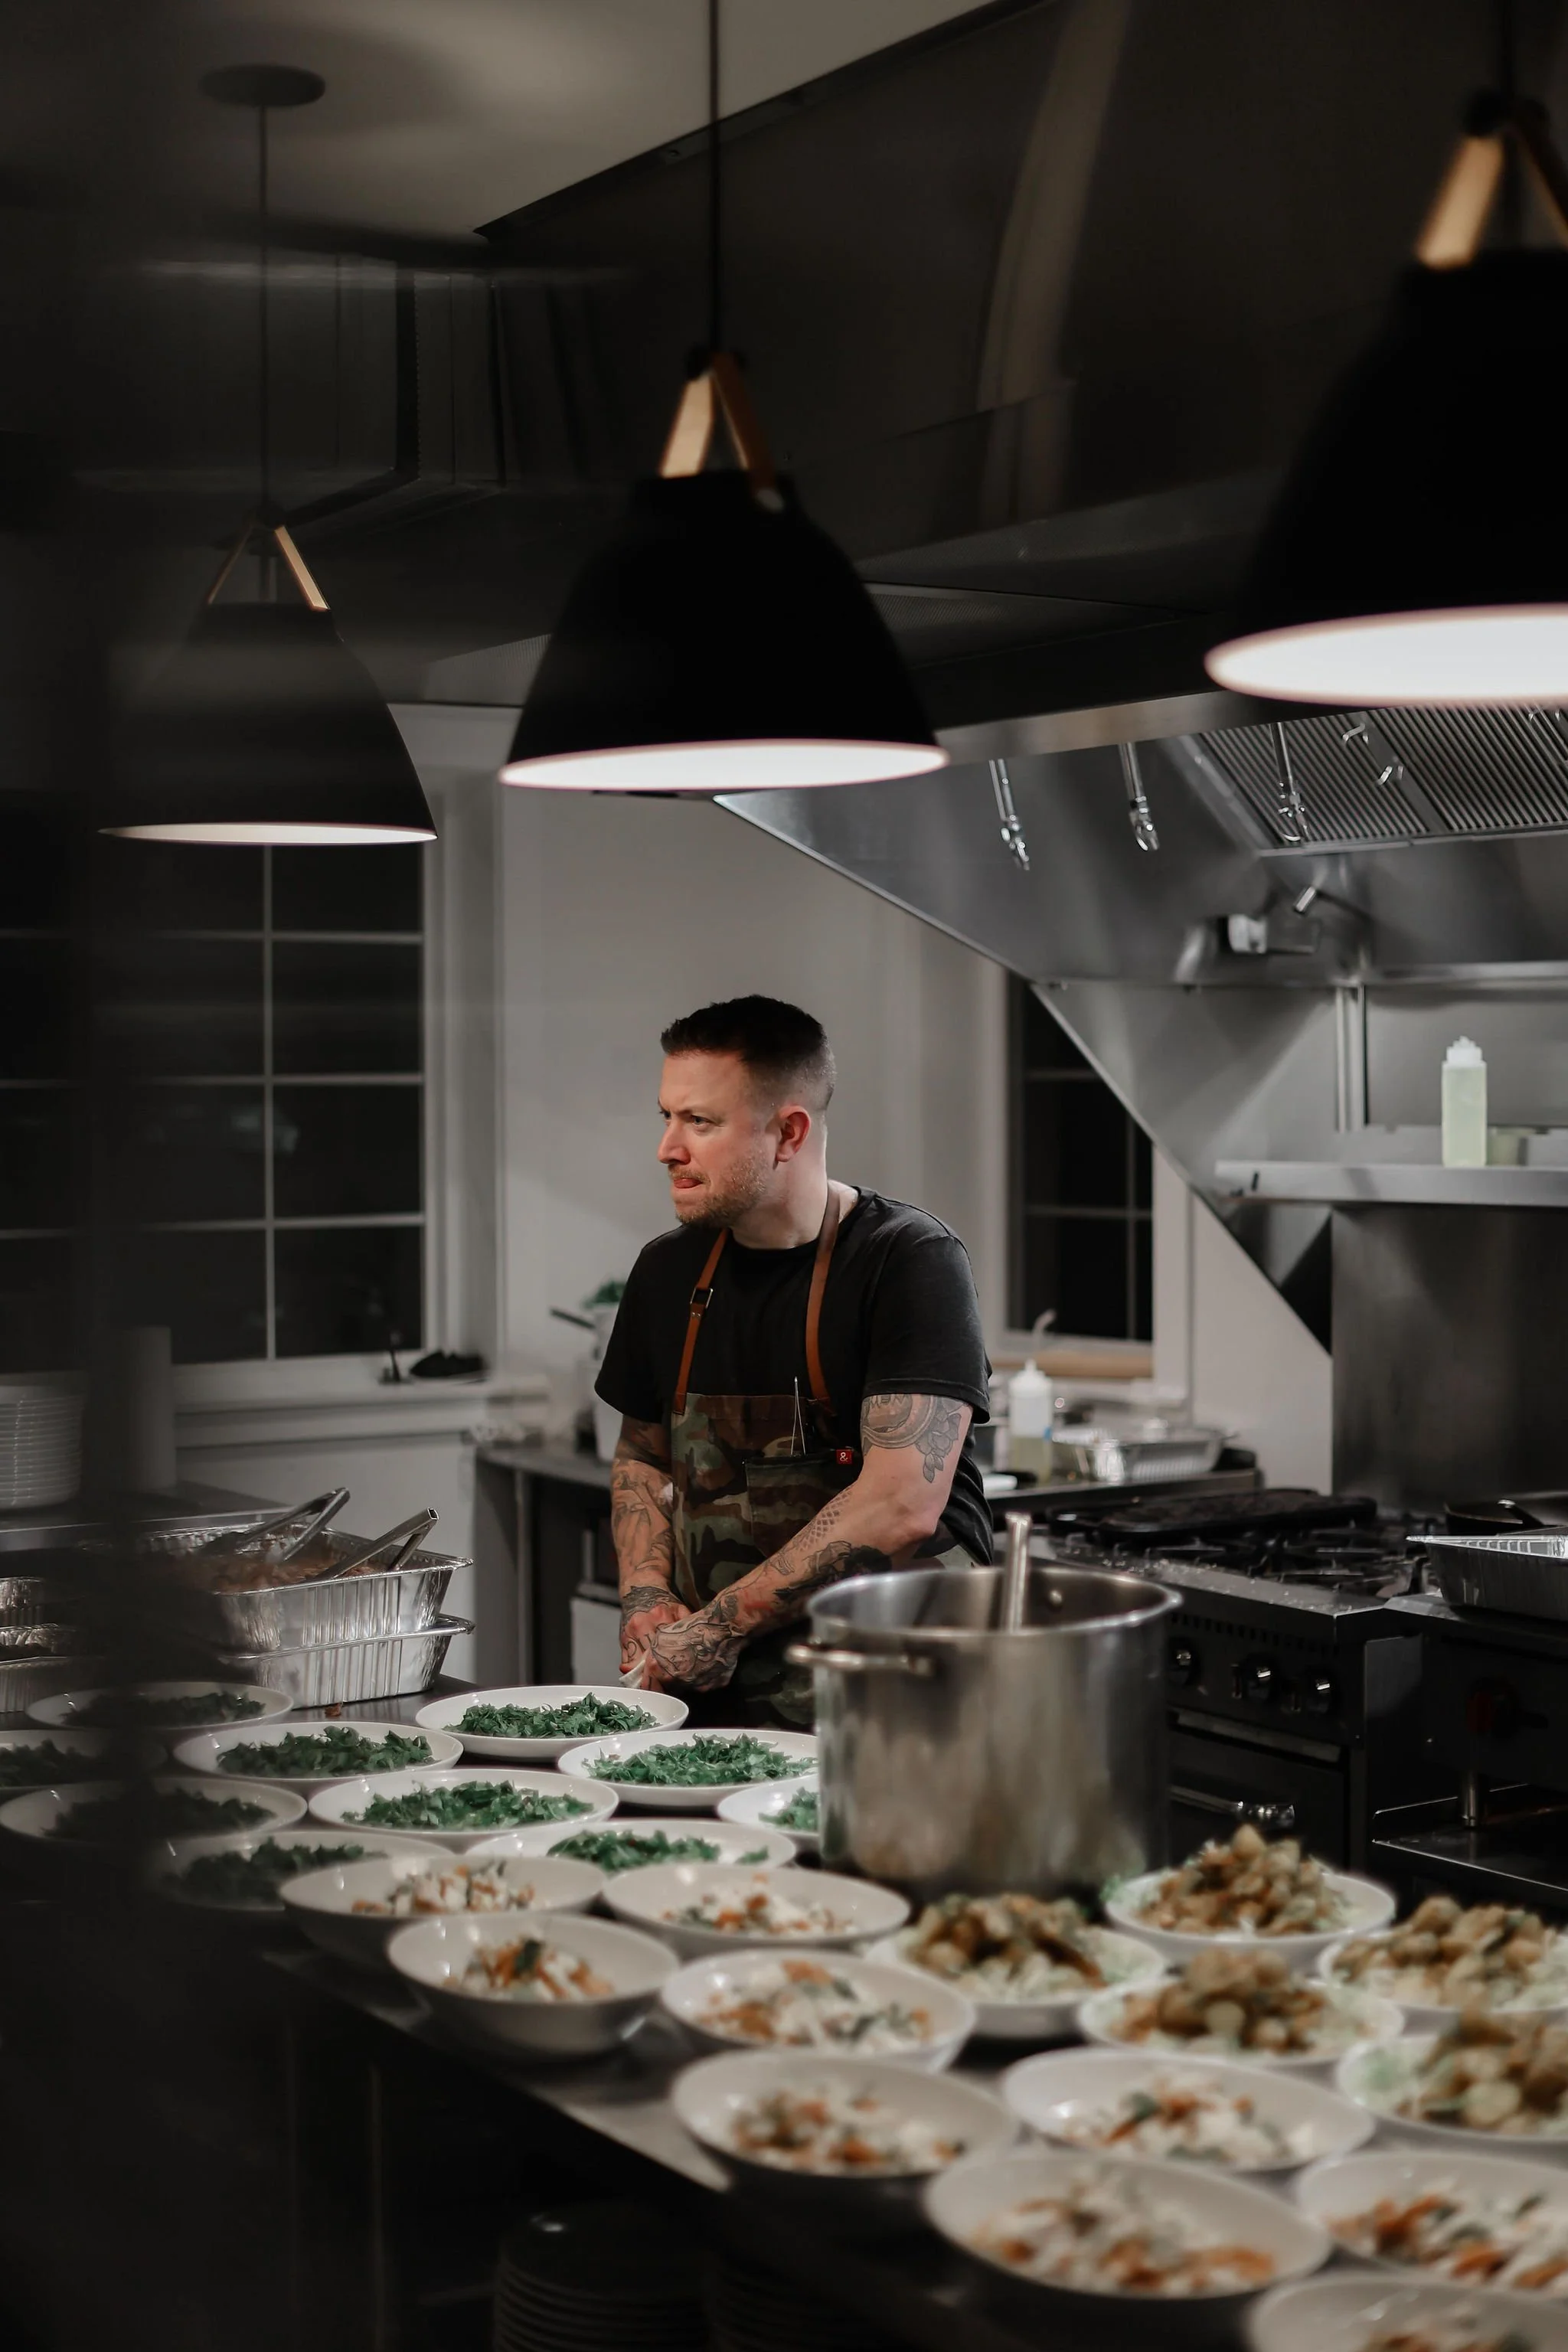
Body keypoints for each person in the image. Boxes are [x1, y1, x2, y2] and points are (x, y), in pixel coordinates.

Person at [595, 994, 991, 1726]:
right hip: (717, 1701)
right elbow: (642, 1457)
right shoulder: (665, 1272)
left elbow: (901, 1504)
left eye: (700, 1122)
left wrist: (717, 1625)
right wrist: (647, 1596)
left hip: (889, 1697)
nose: (668, 1149)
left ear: (789, 1132)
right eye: (667, 1117)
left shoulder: (906, 1261)